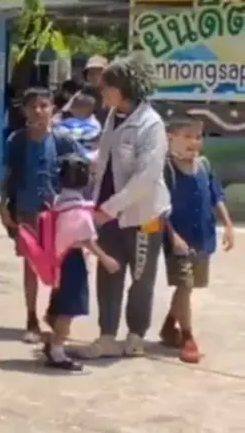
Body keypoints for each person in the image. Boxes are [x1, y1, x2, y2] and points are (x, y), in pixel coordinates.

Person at [83, 53, 170, 359]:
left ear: (124, 89)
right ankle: (107, 336)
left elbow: (146, 177)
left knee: (141, 278)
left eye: (107, 86)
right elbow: (108, 159)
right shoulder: (112, 116)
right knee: (108, 276)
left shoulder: (150, 124)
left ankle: (135, 336)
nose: (102, 91)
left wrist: (111, 207)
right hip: (107, 215)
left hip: (142, 215)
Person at [0, 87, 84, 343]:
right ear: (24, 110)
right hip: (27, 209)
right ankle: (31, 318)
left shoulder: (63, 140)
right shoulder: (17, 140)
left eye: (44, 105)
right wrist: (3, 205)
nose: (38, 111)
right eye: (32, 106)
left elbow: (81, 171)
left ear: (53, 109)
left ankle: (54, 313)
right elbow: (9, 175)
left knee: (60, 265)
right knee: (31, 265)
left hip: (58, 213)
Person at [159, 116, 235, 363]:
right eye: (187, 136)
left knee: (191, 286)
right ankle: (188, 336)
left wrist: (228, 225)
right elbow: (159, 208)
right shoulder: (166, 169)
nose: (194, 142)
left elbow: (216, 196)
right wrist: (173, 236)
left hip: (203, 237)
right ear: (171, 138)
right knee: (185, 284)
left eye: (198, 137)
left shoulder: (204, 164)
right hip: (179, 241)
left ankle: (169, 325)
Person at [41, 154, 121, 370]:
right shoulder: (78, 212)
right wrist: (105, 258)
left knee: (60, 304)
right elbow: (86, 240)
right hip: (73, 262)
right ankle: (57, 351)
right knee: (68, 311)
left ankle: (53, 337)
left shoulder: (59, 203)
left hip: (59, 260)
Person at [53, 93, 102, 160]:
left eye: (75, 107)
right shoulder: (70, 120)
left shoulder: (93, 125)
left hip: (85, 156)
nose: (71, 109)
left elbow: (73, 136)